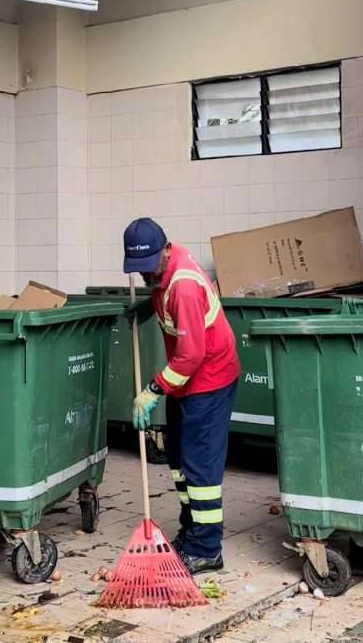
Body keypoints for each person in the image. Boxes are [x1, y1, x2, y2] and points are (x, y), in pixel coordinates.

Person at [123, 217, 240, 575]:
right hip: (186, 381)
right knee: (178, 458)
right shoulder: (164, 272)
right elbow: (162, 291)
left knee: (200, 466)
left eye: (149, 266)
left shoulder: (184, 286)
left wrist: (153, 390)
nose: (146, 274)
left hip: (209, 380)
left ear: (166, 250)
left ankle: (206, 549)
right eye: (139, 269)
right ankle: (191, 532)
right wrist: (149, 306)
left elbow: (191, 355)